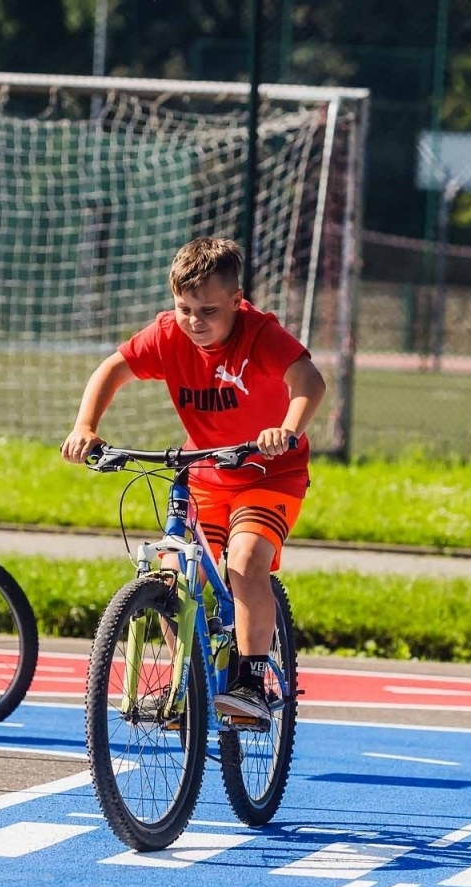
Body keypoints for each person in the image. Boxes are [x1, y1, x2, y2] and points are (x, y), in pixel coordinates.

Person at [61, 236, 326, 727]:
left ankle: (250, 680)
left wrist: (287, 430)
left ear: (236, 299)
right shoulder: (168, 335)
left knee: (245, 563)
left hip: (270, 474)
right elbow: (112, 370)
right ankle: (195, 679)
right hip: (206, 472)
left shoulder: (259, 335)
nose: (194, 322)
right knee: (172, 579)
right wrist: (85, 427)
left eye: (208, 310)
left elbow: (309, 381)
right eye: (183, 308)